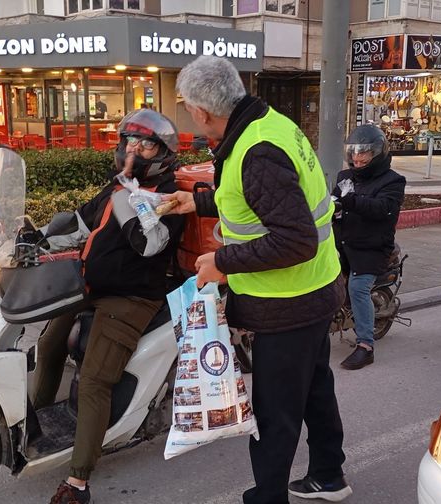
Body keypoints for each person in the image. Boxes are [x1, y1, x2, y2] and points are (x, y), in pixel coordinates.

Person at [163, 55, 349, 503]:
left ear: (203, 112)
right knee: (315, 388)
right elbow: (253, 201)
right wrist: (196, 203)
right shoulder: (264, 124)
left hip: (289, 301)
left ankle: (268, 496)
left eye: (187, 106)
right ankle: (329, 474)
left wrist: (222, 262)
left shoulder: (256, 150)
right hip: (314, 290)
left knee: (274, 411)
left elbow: (295, 239)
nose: (189, 113)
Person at [33, 109, 186, 504]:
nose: (133, 149)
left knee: (96, 379)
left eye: (145, 143)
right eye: (128, 141)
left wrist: (127, 191)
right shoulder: (118, 186)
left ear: (163, 153)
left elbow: (147, 242)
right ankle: (39, 424)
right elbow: (82, 224)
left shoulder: (168, 196)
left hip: (132, 296)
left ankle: (78, 482)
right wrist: (37, 239)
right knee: (48, 345)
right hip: (90, 284)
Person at [333, 125, 406, 370]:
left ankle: (365, 346)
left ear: (378, 153)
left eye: (364, 153)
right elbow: (333, 201)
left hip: (371, 248)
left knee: (357, 288)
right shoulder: (345, 177)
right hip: (342, 244)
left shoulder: (393, 181)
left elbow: (382, 209)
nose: (357, 157)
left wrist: (349, 202)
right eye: (354, 152)